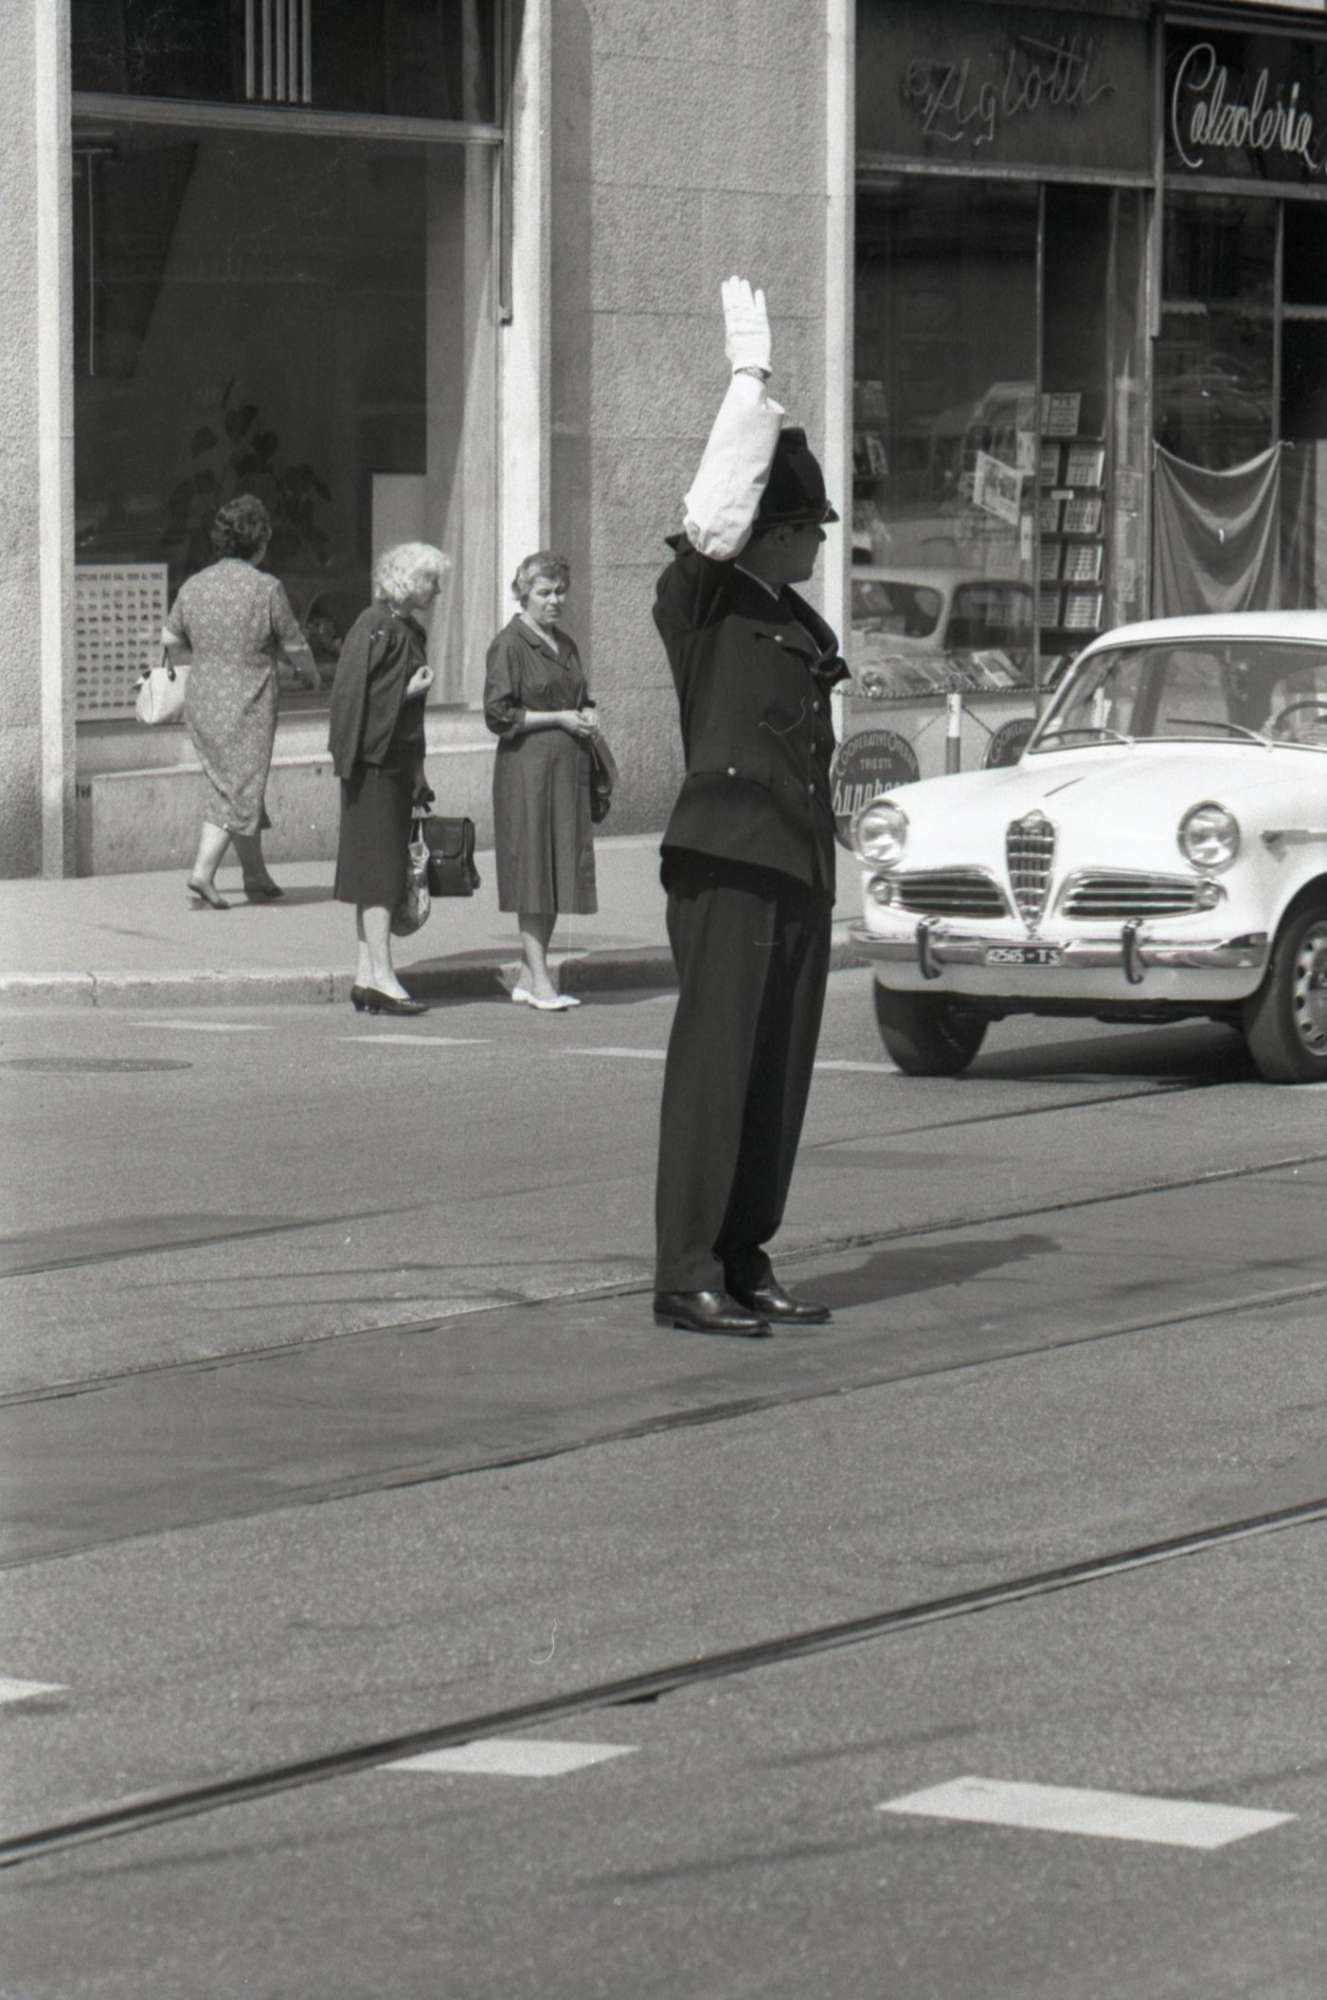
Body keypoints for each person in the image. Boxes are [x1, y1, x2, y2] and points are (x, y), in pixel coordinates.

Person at [651, 277, 848, 1338]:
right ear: (764, 533)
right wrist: (748, 381)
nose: (819, 543)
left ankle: (743, 1251)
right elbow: (711, 513)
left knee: (776, 1076)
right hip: (728, 859)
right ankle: (685, 1269)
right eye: (806, 526)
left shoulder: (799, 623)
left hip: (796, 864)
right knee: (717, 1070)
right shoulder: (704, 602)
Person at [161, 494, 318, 908]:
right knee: (240, 786)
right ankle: (202, 873)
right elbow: (295, 645)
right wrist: (312, 675)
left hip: (203, 698)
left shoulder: (195, 585)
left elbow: (170, 639)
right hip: (249, 702)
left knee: (234, 782)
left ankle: (255, 875)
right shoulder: (266, 588)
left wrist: (208, 656)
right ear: (260, 543)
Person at [328, 542, 449, 1016]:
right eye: (431, 580)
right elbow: (351, 700)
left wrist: (417, 771)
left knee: (378, 872)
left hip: (392, 765)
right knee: (379, 876)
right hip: (373, 766)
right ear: (407, 580)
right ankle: (382, 977)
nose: (437, 590)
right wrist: (406, 692)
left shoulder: (401, 627)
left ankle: (366, 977)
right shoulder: (374, 625)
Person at [484, 553, 600, 1011]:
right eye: (544, 593)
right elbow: (498, 714)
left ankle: (531, 973)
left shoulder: (564, 643)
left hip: (565, 770)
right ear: (523, 594)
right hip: (527, 771)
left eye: (560, 592)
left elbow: (580, 695)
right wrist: (559, 718)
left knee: (554, 871)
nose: (554, 601)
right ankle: (541, 981)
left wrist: (587, 713)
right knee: (533, 871)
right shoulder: (509, 645)